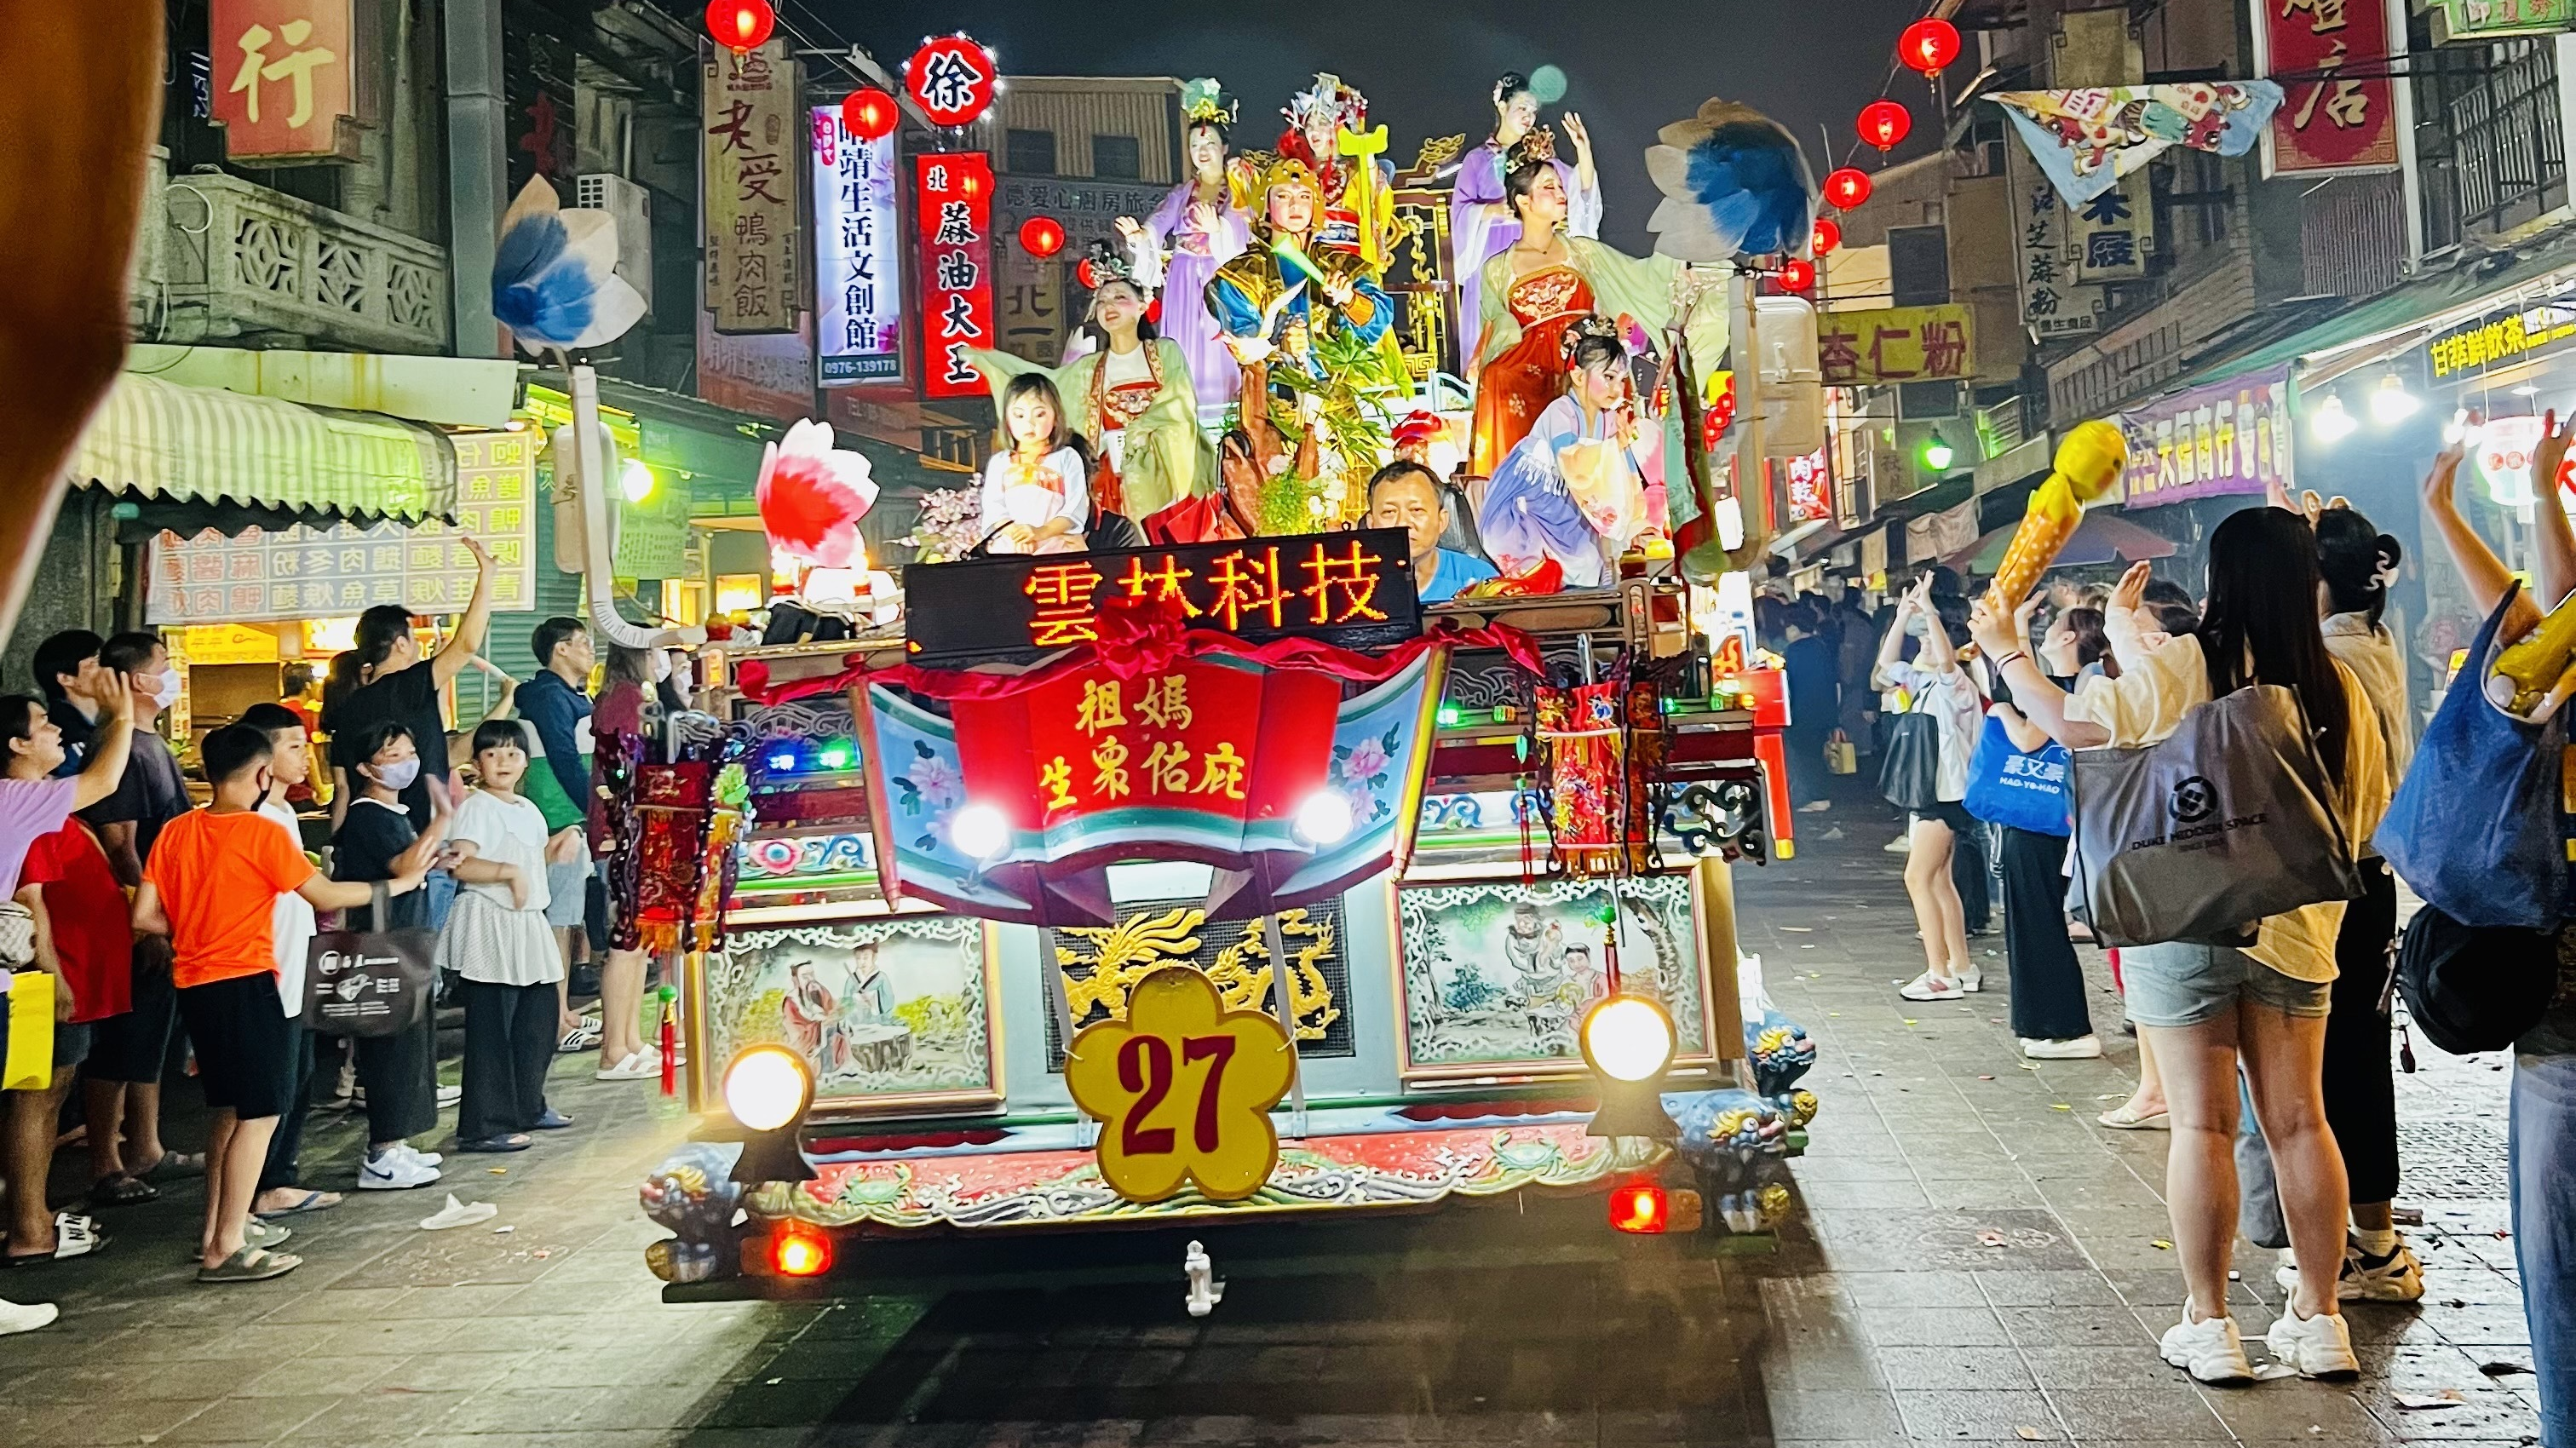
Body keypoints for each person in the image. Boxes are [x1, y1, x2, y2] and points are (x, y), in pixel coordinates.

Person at [1969, 516, 2390, 1384]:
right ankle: (2321, 1319)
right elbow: (2367, 810)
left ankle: (2212, 1323)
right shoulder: (2338, 682)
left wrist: (2009, 653)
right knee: (2302, 1119)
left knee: (2202, 1122)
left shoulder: (2189, 662)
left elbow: (2074, 725)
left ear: (2219, 579)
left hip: (2183, 912)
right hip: (2299, 925)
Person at [132, 724, 426, 1284]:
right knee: (261, 1113)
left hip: (195, 984)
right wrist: (402, 884)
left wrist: (198, 926)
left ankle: (219, 1231)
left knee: (226, 1110)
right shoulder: (261, 833)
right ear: (263, 774)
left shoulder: (175, 831)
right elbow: (327, 894)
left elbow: (144, 917)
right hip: (249, 982)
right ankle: (227, 1245)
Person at [2224, 501, 2421, 1305]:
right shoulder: (2374, 639)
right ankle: (2371, 1239)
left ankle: (2363, 1250)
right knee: (2355, 1065)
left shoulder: (2332, 658)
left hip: (2333, 879)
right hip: (2368, 881)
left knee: (2328, 1077)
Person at [2420, 433, 2576, 1446]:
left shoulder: (2547, 667)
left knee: (2558, 1236)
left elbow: (2527, 621)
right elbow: (2542, 607)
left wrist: (2452, 508)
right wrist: (2517, 494)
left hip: (2564, 976)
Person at [1467, 157, 1721, 476]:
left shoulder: (1582, 252)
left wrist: (1683, 262)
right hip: (1531, 363)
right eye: (1549, 187)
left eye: (1560, 186)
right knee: (1498, 379)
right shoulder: (1497, 268)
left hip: (1588, 355)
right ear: (1523, 201)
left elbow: (1637, 277)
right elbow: (1496, 327)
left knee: (1602, 382)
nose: (1561, 192)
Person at [0, 680, 135, 1267]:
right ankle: (31, 1227)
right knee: (37, 1094)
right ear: (15, 743)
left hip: (32, 975)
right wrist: (121, 717)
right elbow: (33, 900)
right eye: (43, 723)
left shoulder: (29, 801)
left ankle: (31, 1219)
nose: (56, 729)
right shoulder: (14, 798)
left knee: (44, 1093)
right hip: (31, 978)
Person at [79, 630, 198, 1207]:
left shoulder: (153, 745)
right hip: (135, 920)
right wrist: (144, 919)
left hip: (165, 913)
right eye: (163, 665)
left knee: (150, 1038)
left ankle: (146, 1146)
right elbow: (120, 845)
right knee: (121, 1044)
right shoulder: (121, 750)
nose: (171, 673)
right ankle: (106, 1161)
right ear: (134, 682)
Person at [969, 250, 1213, 520]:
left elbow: (1178, 401)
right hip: (1113, 476)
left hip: (1163, 467)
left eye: (1120, 298)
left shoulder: (1165, 351)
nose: (1109, 307)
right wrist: (991, 362)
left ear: (1143, 305)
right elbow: (1048, 388)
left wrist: (1142, 430)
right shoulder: (1089, 368)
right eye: (1102, 301)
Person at [329, 721, 450, 1191]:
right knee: (391, 1051)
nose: (406, 762)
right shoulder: (366, 815)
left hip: (405, 943)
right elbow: (404, 865)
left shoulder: (392, 813)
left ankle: (397, 1144)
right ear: (365, 767)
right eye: (392, 754)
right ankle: (379, 1154)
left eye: (409, 751)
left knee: (411, 1047)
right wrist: (442, 818)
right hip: (383, 948)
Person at [440, 721, 571, 1152]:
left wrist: (559, 845)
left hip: (525, 922)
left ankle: (526, 1105)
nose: (504, 762)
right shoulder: (476, 808)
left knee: (537, 1017)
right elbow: (461, 864)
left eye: (513, 754)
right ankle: (483, 1124)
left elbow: (530, 858)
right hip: (489, 922)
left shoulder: (527, 808)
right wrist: (506, 873)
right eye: (493, 754)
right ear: (477, 763)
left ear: (525, 762)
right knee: (492, 1027)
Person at [233, 703, 341, 1221]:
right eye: (294, 745)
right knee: (270, 1091)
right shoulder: (258, 818)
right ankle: (259, 1192)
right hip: (265, 968)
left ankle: (275, 1181)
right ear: (262, 755)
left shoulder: (279, 812)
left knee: (296, 1078)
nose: (305, 755)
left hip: (292, 965)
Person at [319, 538, 500, 840]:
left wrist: (337, 851)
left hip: (365, 837)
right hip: (418, 838)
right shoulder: (410, 684)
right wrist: (487, 576)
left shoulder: (348, 706)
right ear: (401, 644)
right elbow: (467, 644)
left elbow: (342, 790)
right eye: (413, 638)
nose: (417, 645)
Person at [1985, 596, 2098, 1060]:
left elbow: (2031, 736)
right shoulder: (2073, 680)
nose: (2048, 630)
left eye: (2056, 625)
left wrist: (2003, 713)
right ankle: (2049, 1023)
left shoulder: (2083, 686)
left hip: (2044, 825)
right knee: (2036, 921)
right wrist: (2021, 623)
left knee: (2038, 922)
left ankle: (2066, 1027)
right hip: (2050, 821)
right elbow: (2026, 676)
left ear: (2071, 638)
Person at [1477, 316, 1665, 589]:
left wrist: (1638, 523)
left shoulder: (1609, 419)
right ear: (1578, 375)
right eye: (1609, 377)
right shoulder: (1561, 412)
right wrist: (1614, 449)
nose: (1617, 388)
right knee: (1555, 562)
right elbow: (1574, 463)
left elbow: (1625, 475)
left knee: (1593, 559)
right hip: (1533, 494)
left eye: (1622, 379)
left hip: (1575, 498)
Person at [1873, 573, 1984, 999]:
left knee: (1917, 878)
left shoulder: (1955, 685)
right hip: (1936, 793)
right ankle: (1961, 964)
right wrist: (1902, 617)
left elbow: (1945, 659)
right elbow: (1884, 668)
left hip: (1944, 796)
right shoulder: (1923, 684)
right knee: (1938, 880)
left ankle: (1939, 974)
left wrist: (1932, 614)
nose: (1921, 651)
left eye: (1928, 645)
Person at [1452, 72, 1601, 368]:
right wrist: (1491, 210)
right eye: (1522, 107)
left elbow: (1579, 192)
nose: (1529, 116)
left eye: (1533, 111)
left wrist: (1584, 151)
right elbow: (1459, 212)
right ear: (1502, 106)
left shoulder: (1540, 162)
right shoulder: (1478, 160)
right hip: (1493, 252)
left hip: (1537, 253)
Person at [1114, 78, 1249, 407]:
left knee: (1219, 340)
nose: (1202, 153)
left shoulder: (1238, 188)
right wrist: (1142, 236)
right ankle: (1182, 406)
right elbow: (1161, 221)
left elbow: (1241, 228)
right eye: (1194, 146)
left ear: (1224, 147)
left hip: (1221, 276)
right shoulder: (1183, 191)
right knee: (1183, 343)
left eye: (1209, 144)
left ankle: (1226, 406)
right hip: (1184, 276)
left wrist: (1217, 228)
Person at [515, 617, 601, 1051]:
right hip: (560, 820)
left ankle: (563, 1010)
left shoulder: (570, 696)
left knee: (568, 921)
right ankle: (557, 1019)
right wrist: (594, 807)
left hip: (572, 818)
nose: (591, 650)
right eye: (583, 643)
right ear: (561, 650)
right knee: (559, 923)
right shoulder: (551, 698)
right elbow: (566, 758)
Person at [591, 647, 661, 1082]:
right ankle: (614, 1048)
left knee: (640, 940)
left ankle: (630, 1040)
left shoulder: (630, 694)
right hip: (622, 829)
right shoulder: (627, 697)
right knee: (627, 938)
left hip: (635, 828)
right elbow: (623, 767)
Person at [976, 373, 1089, 555]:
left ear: (1056, 417)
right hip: (1009, 548)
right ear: (1006, 419)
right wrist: (1018, 535)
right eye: (1019, 415)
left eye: (1040, 414)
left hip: (1056, 547)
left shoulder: (1067, 457)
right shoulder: (999, 462)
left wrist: (1039, 533)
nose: (1029, 423)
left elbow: (1074, 509)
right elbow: (994, 509)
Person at [1366, 461, 1495, 604]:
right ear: (1371, 524)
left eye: (1416, 510)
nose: (1402, 523)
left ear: (1442, 521)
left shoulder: (1479, 579)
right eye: (1389, 512)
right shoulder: (1348, 587)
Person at [1780, 600, 1839, 816]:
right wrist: (1834, 719)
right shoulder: (1820, 646)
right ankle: (1819, 796)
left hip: (1800, 712)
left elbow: (1788, 685)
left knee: (1807, 758)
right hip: (1821, 711)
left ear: (1794, 627)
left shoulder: (1792, 651)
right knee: (1815, 755)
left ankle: (1819, 798)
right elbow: (1832, 682)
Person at [31, 629, 104, 778]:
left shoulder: (102, 724)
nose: (109, 670)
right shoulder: (62, 741)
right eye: (96, 662)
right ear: (66, 678)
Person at [276, 664, 324, 807]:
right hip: (301, 794)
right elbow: (308, 755)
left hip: (278, 792)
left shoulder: (275, 711)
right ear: (308, 686)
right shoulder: (303, 715)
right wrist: (320, 790)